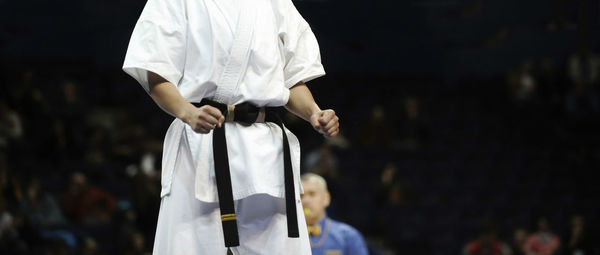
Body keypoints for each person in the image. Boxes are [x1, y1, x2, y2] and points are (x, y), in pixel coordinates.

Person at [122, 0, 339, 254]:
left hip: (266, 151)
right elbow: (155, 72)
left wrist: (314, 112)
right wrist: (188, 112)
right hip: (201, 144)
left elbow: (291, 80)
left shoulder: (276, 4)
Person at [300, 173, 368, 255]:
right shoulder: (285, 237)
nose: (305, 201)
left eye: (312, 194)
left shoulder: (348, 236)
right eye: (301, 196)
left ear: (326, 198)